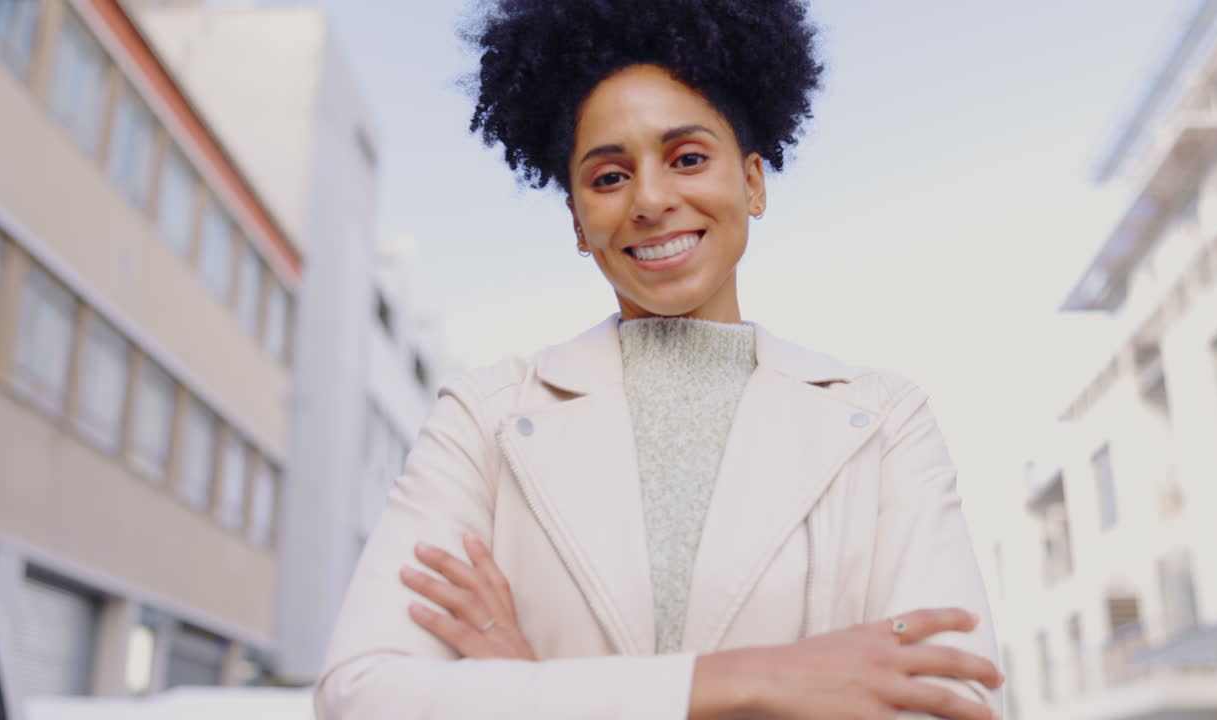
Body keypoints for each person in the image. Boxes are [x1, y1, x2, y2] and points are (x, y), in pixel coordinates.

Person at [316, 1, 1005, 718]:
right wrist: (748, 681)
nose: (650, 199)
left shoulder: (887, 423)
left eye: (688, 159)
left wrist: (531, 685)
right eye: (609, 177)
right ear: (579, 224)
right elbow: (363, 693)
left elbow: (950, 699)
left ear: (754, 181)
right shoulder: (483, 418)